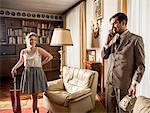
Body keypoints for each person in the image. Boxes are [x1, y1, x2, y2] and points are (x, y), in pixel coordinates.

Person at [101, 12, 145, 113]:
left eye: (115, 23)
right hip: (109, 84)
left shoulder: (136, 40)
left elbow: (140, 65)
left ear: (123, 22)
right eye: (111, 24)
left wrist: (134, 84)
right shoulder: (113, 39)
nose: (112, 27)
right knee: (110, 110)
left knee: (123, 111)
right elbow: (104, 56)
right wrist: (106, 42)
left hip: (124, 85)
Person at [11, 32, 53, 113]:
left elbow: (50, 57)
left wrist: (41, 63)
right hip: (28, 72)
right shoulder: (23, 51)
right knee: (32, 94)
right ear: (27, 41)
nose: (32, 41)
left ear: (36, 41)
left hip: (37, 73)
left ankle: (34, 109)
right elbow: (21, 62)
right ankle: (35, 108)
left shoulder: (39, 50)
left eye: (34, 40)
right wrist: (14, 68)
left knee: (35, 95)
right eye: (30, 40)